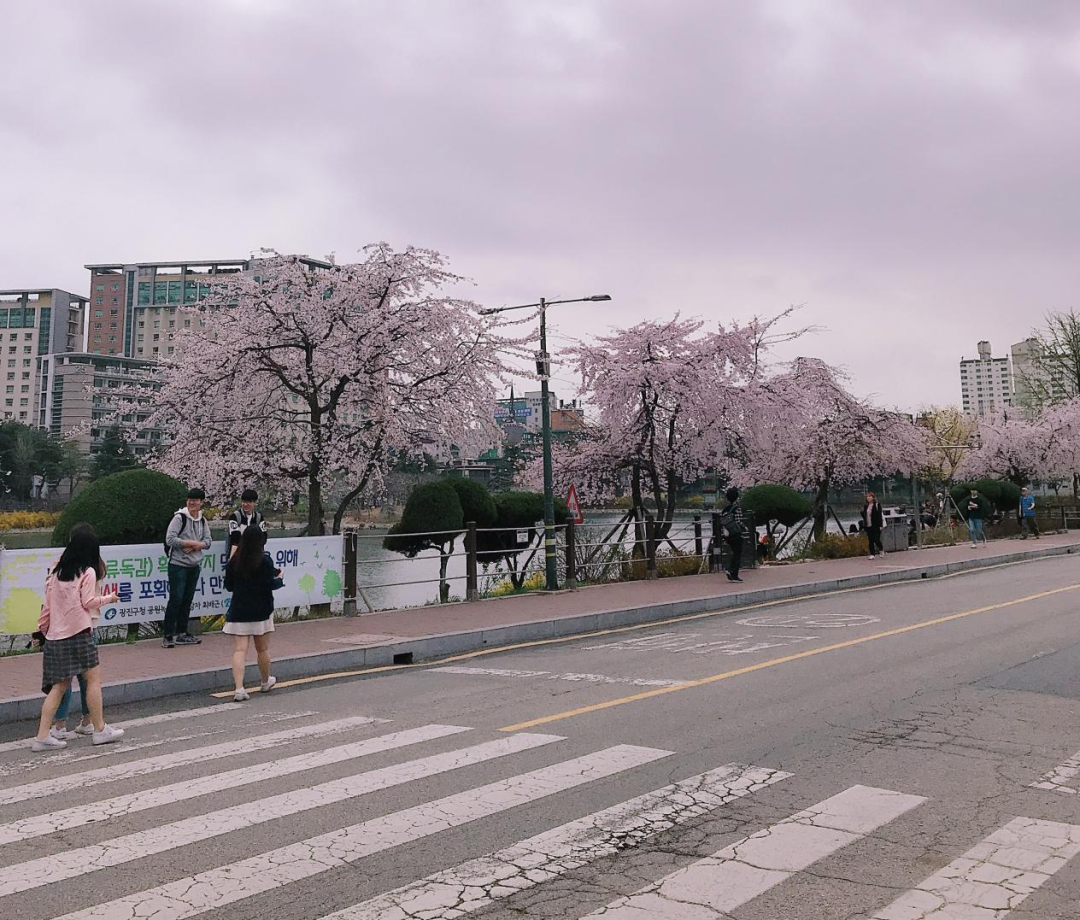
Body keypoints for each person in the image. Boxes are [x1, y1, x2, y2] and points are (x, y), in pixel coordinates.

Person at [32, 526, 123, 751]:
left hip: (55, 636)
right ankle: (99, 729)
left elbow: (47, 607)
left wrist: (41, 631)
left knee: (58, 687)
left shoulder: (56, 572)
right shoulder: (88, 571)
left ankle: (42, 736)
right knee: (92, 680)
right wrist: (110, 598)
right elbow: (88, 602)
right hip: (80, 634)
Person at [223, 526, 282, 702]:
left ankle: (239, 688)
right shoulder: (265, 561)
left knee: (240, 649)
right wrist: (280, 579)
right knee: (262, 649)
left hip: (239, 610)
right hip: (261, 610)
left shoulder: (235, 561)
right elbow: (270, 584)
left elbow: (229, 586)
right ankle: (265, 681)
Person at [162, 487, 214, 648]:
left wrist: (196, 545)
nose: (192, 503)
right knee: (176, 599)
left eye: (196, 500)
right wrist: (191, 543)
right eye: (190, 500)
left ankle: (182, 633)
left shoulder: (202, 520)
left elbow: (208, 541)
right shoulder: (179, 518)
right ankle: (168, 635)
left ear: (202, 502)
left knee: (187, 600)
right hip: (178, 565)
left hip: (194, 565)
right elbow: (170, 539)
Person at [228, 488, 265, 559]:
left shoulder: (259, 518)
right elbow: (235, 539)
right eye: (243, 502)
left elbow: (263, 538)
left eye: (249, 502)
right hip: (238, 555)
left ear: (255, 503)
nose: (245, 504)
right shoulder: (235, 516)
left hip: (254, 556)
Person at [720, 487, 745, 583]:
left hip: (727, 535)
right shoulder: (737, 508)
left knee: (734, 552)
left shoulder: (725, 510)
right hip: (736, 534)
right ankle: (733, 573)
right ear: (737, 497)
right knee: (737, 553)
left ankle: (730, 570)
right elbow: (738, 522)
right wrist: (745, 528)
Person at [862, 491, 884, 559]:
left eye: (870, 496)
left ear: (873, 498)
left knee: (876, 539)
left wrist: (880, 525)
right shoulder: (866, 506)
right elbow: (865, 516)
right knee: (870, 540)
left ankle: (881, 549)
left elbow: (879, 516)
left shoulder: (877, 505)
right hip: (868, 525)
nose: (868, 498)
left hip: (876, 525)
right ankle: (872, 554)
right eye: (867, 496)